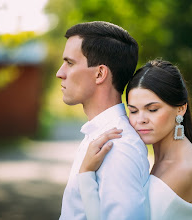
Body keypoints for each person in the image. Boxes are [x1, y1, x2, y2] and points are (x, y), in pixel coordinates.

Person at [78, 59, 192, 220]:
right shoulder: (167, 159)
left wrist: (86, 174)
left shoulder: (184, 169)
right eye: (133, 111)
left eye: (152, 109)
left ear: (180, 108)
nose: (140, 120)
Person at [56, 21, 150, 220]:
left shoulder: (119, 146)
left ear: (100, 73)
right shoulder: (100, 135)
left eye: (70, 63)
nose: (60, 73)